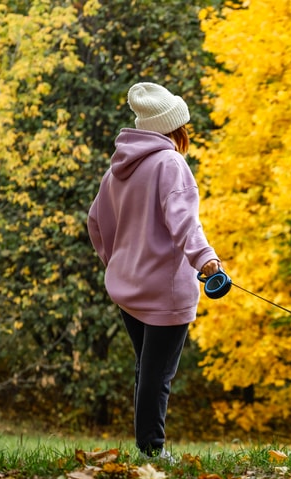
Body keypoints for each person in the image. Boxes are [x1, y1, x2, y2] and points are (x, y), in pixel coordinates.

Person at [88, 82, 221, 459]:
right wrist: (206, 260)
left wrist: (118, 261)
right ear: (173, 128)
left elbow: (96, 222)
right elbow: (184, 222)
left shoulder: (116, 172)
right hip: (165, 291)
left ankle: (146, 446)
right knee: (157, 375)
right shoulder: (170, 163)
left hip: (127, 287)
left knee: (146, 370)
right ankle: (152, 450)